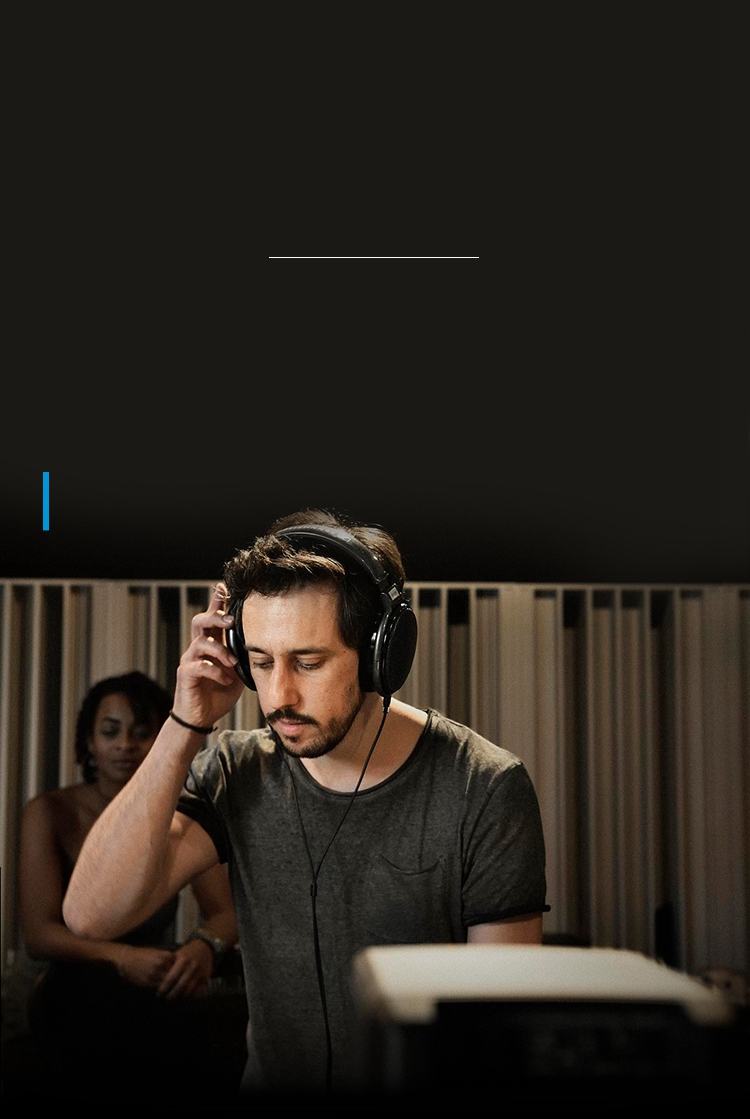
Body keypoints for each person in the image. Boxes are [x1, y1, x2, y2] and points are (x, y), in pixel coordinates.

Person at [63, 511, 549, 1097]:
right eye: (261, 662)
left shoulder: (483, 787)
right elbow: (91, 916)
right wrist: (185, 723)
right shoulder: (235, 771)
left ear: (380, 654)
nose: (279, 695)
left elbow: (498, 1028)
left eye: (308, 662)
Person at [19, 670, 241, 1102]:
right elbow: (39, 935)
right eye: (110, 732)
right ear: (88, 741)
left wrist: (203, 947)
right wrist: (122, 959)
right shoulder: (49, 812)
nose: (125, 745)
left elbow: (225, 912)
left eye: (141, 733)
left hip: (155, 979)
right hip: (71, 982)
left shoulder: (183, 812)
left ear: (161, 740)